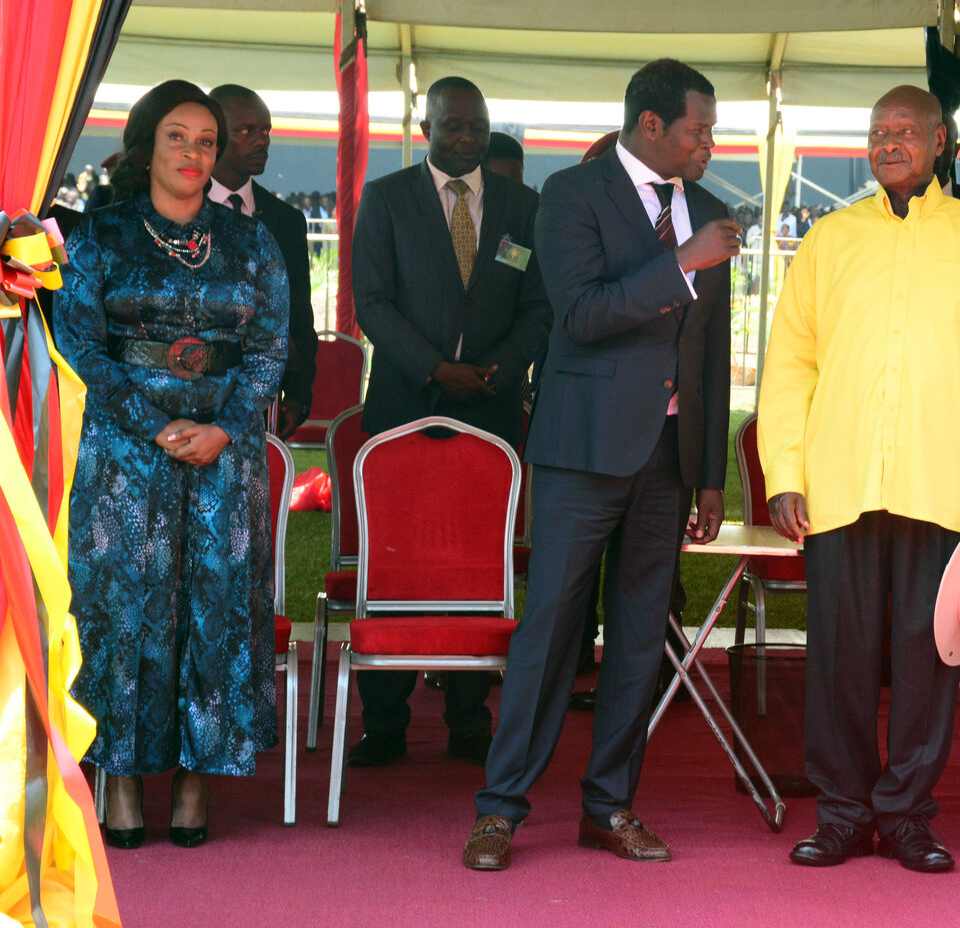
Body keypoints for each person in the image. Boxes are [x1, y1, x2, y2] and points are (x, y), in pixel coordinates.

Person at [758, 86, 960, 873]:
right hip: (840, 482)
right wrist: (783, 469)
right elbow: (789, 368)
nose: (889, 142)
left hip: (944, 483)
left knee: (928, 661)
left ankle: (909, 814)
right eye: (878, 130)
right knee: (839, 659)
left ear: (939, 138)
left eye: (905, 130)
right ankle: (845, 814)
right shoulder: (828, 238)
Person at [463, 58, 737, 871]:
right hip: (583, 449)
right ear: (650, 125)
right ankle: (500, 807)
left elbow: (714, 352)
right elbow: (579, 315)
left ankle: (609, 804)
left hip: (668, 456)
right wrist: (681, 264)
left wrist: (711, 472)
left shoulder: (711, 211)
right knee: (549, 629)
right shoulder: (572, 197)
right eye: (699, 129)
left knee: (640, 635)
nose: (709, 144)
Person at [56, 79, 289, 849]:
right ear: (147, 144)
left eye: (207, 142)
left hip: (227, 452)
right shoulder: (99, 234)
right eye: (178, 137)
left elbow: (269, 348)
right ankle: (118, 776)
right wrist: (155, 426)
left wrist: (224, 425)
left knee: (214, 608)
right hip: (125, 452)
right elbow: (81, 343)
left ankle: (196, 779)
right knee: (124, 608)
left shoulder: (252, 240)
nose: (194, 153)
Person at [350, 76, 553, 768]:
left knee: (477, 560)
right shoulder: (387, 198)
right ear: (426, 123)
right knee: (400, 557)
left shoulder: (525, 207)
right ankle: (385, 722)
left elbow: (540, 306)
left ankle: (470, 718)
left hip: (492, 409)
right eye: (452, 125)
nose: (465, 137)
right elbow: (371, 303)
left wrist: (496, 369)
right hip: (407, 402)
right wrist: (438, 368)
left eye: (476, 125)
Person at [208, 84, 319, 439]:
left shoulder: (286, 220)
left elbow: (299, 314)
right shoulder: (180, 207)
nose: (262, 141)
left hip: (261, 399)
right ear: (217, 135)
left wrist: (300, 395)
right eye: (247, 131)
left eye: (266, 131)